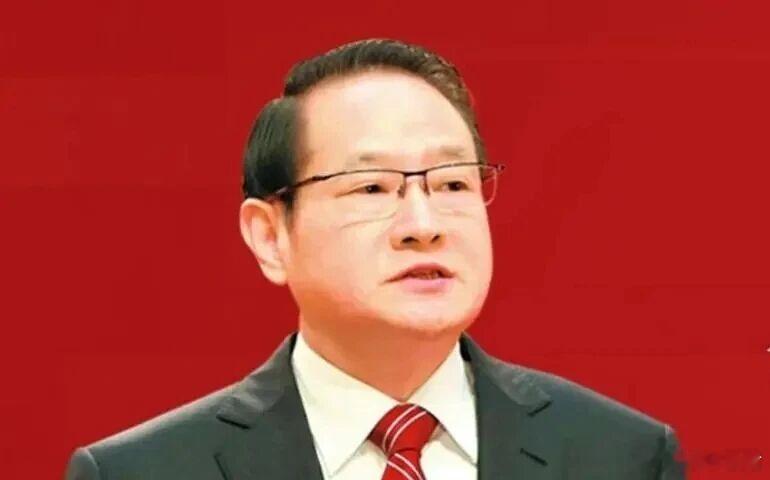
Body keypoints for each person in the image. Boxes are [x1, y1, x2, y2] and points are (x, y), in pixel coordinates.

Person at [65, 38, 686, 480]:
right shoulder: (142, 472)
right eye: (371, 188)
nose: (423, 226)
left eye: (452, 183)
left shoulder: (622, 455)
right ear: (270, 236)